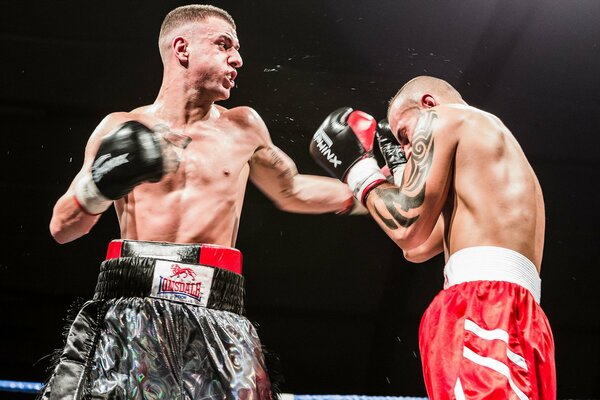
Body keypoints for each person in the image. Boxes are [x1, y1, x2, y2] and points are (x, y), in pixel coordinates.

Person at [42, 5, 359, 400]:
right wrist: (100, 184)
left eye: (237, 48)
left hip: (216, 305)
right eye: (224, 45)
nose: (238, 59)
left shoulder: (243, 126)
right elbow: (62, 226)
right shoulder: (121, 127)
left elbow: (291, 190)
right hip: (130, 305)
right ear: (182, 49)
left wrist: (370, 190)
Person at [309, 76, 556, 399]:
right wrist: (398, 171)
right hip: (525, 319)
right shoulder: (490, 151)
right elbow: (419, 248)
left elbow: (406, 228)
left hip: (482, 308)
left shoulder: (444, 118)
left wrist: (357, 169)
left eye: (405, 136)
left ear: (427, 104)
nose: (408, 150)